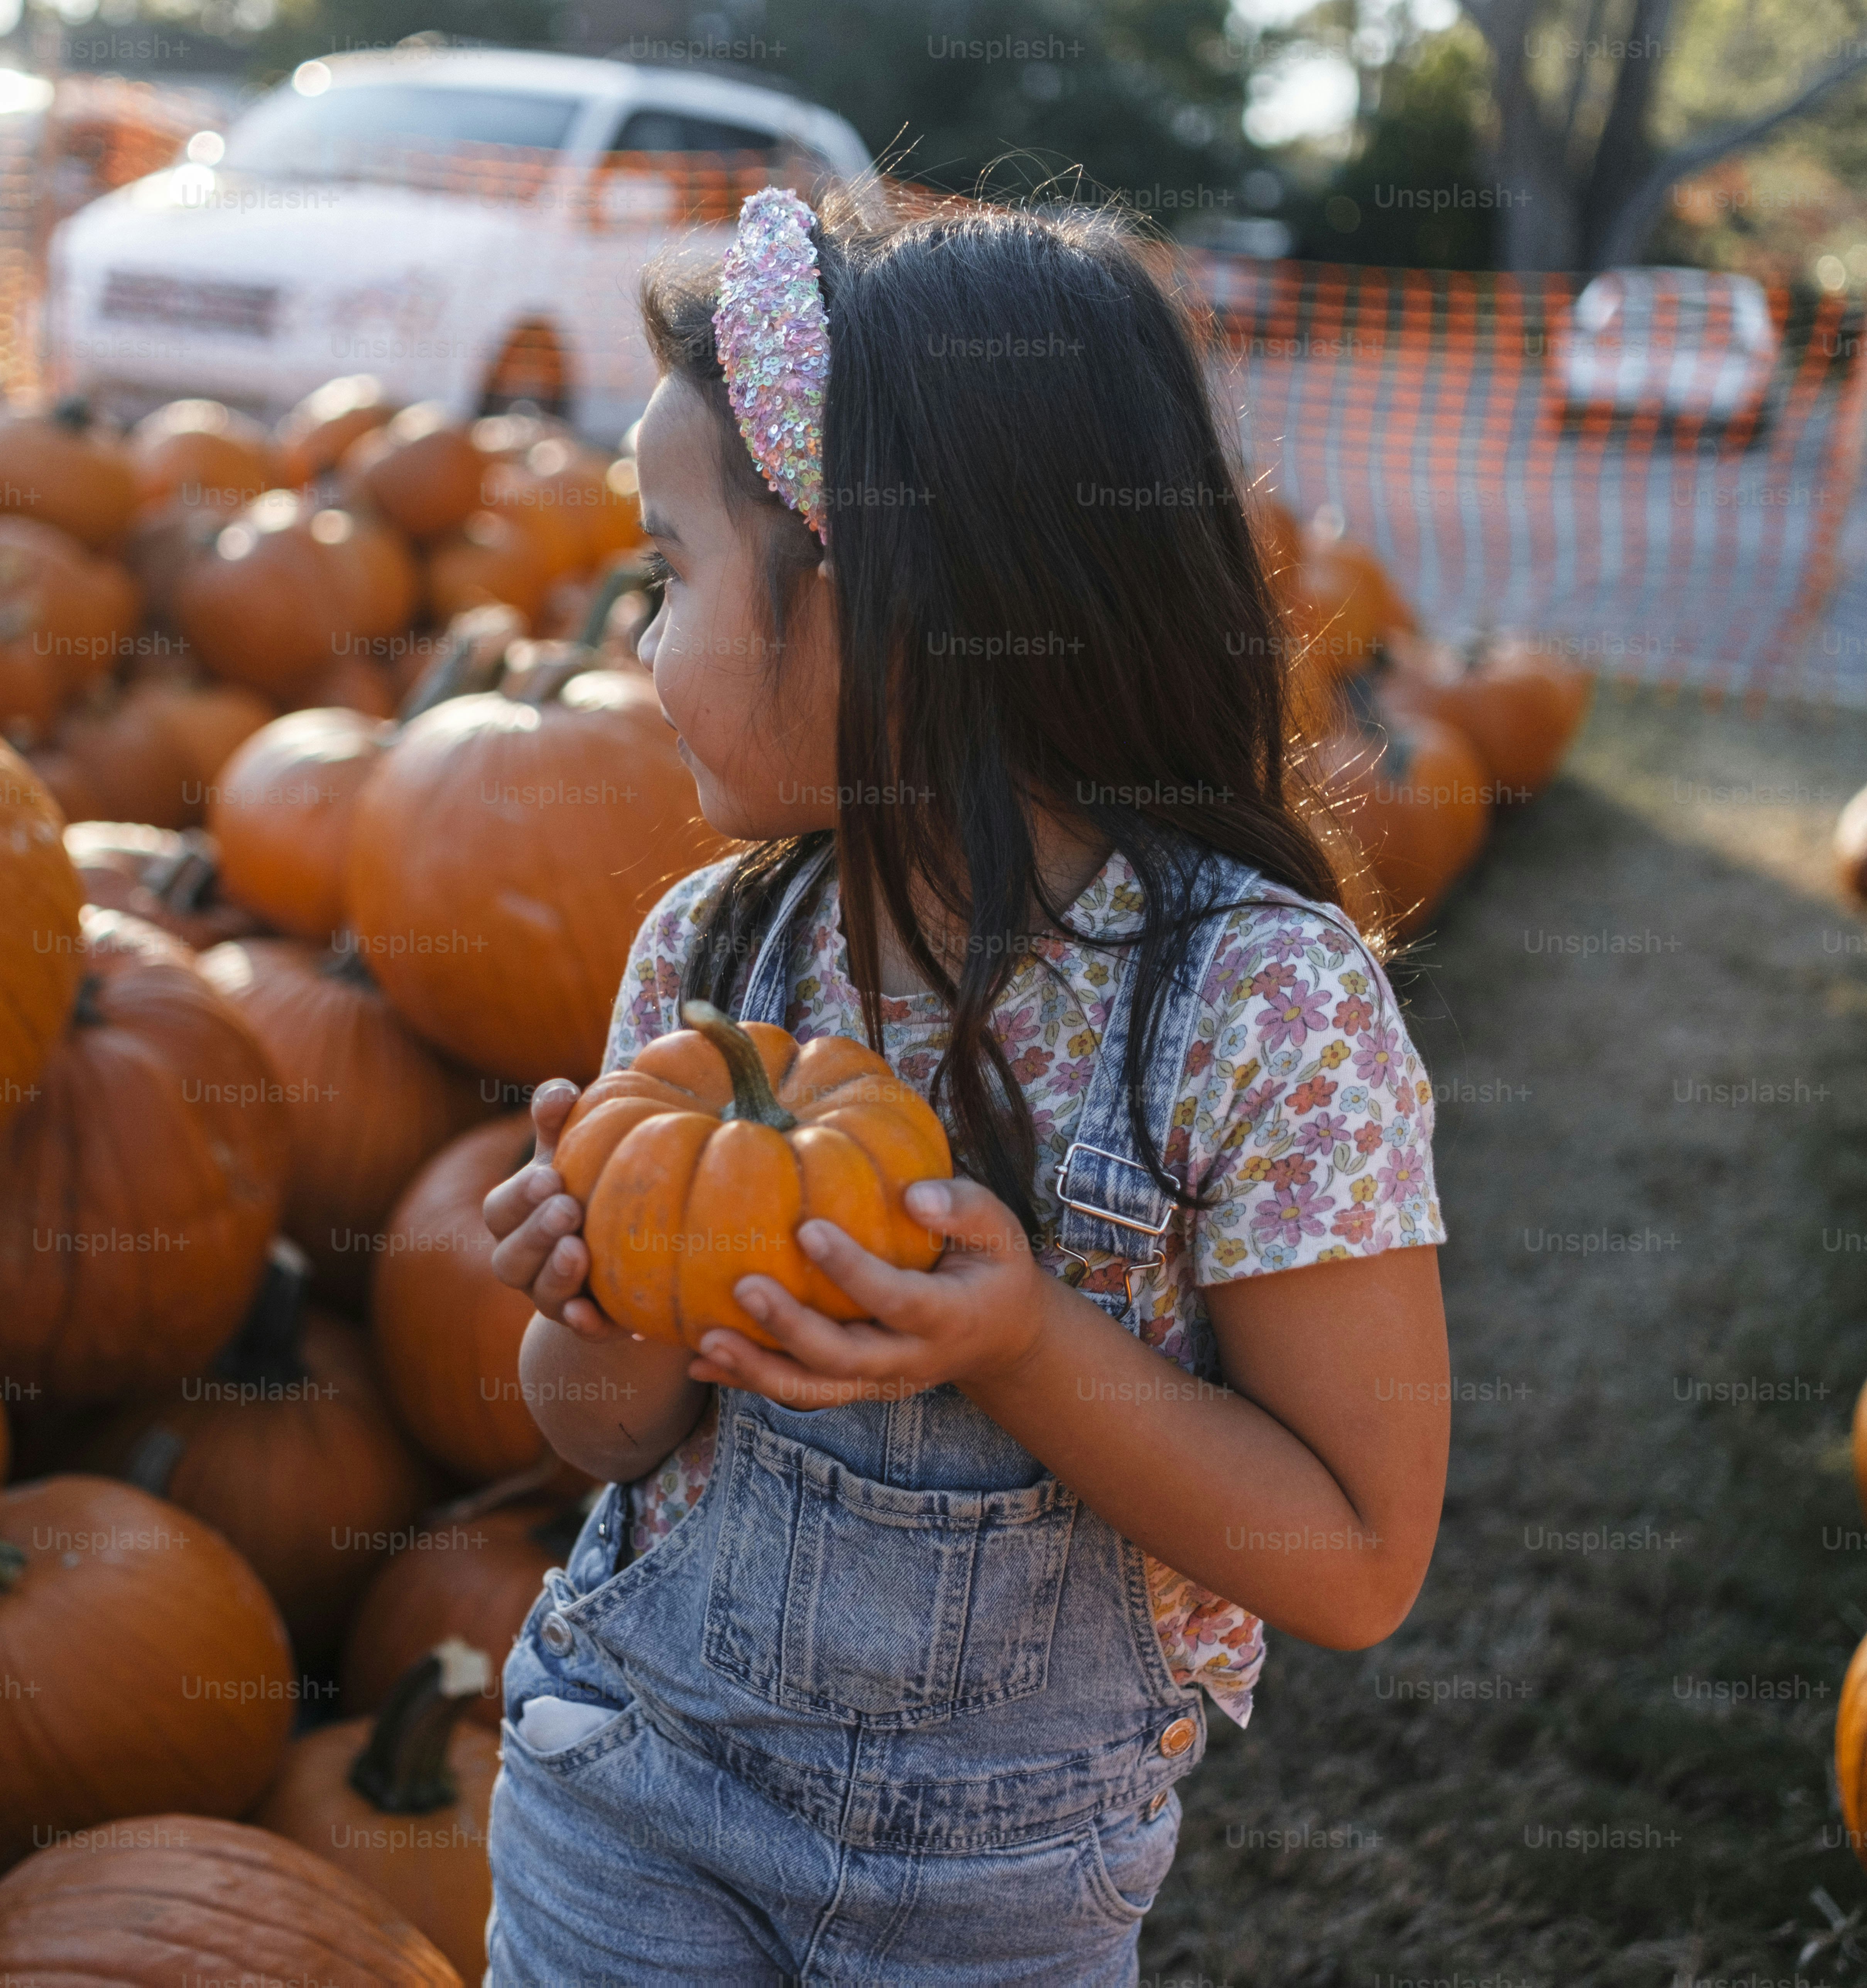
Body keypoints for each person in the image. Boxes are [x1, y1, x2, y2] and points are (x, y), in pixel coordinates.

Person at [478, 185, 1452, 1985]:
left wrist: (1021, 1345)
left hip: (995, 1897)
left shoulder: (1257, 1008)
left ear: (891, 604)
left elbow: (1356, 1557)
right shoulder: (717, 957)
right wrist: (602, 1288)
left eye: (667, 576)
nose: (635, 650)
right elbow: (598, 1433)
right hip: (631, 1794)